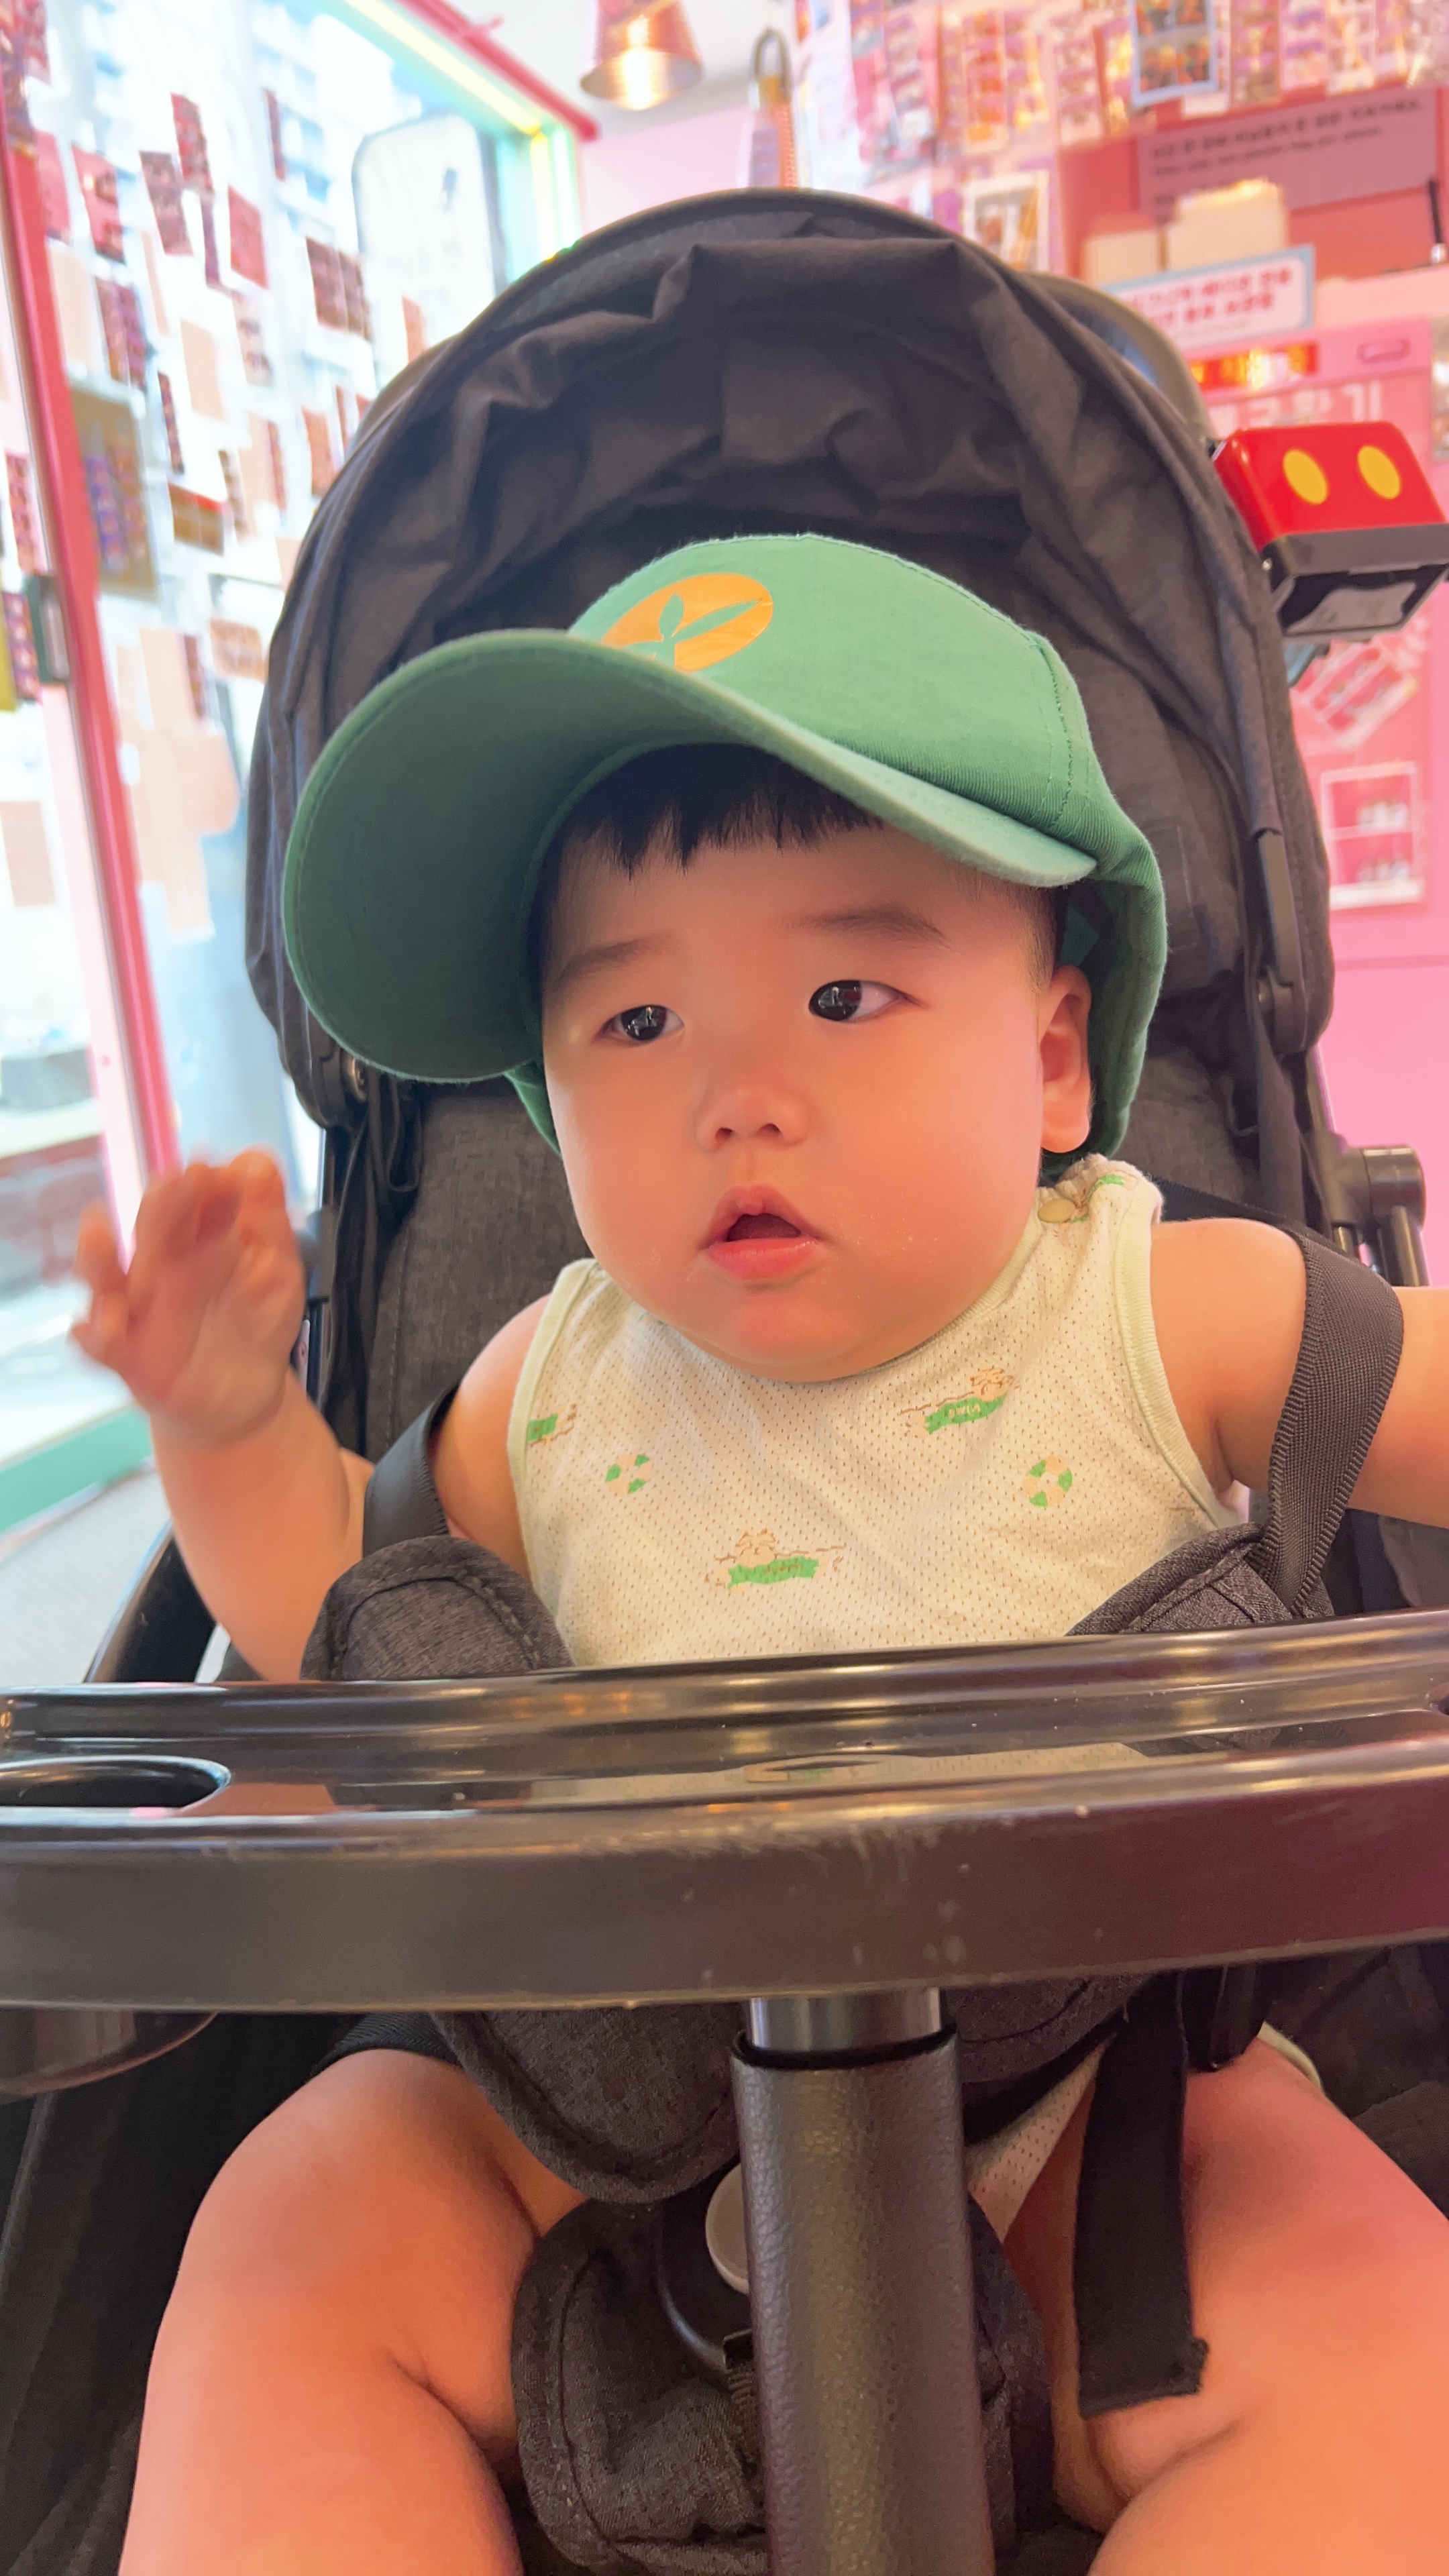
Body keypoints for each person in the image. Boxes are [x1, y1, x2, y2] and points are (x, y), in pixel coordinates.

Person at [80, 537, 1449, 2574]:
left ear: (1051, 1053)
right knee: (298, 2222)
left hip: (1089, 2146)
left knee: (1374, 2311)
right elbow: (343, 1629)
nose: (737, 1095)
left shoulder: (1165, 1313)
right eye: (636, 1019)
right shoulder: (546, 1389)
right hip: (599, 2163)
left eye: (842, 993)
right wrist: (224, 1423)